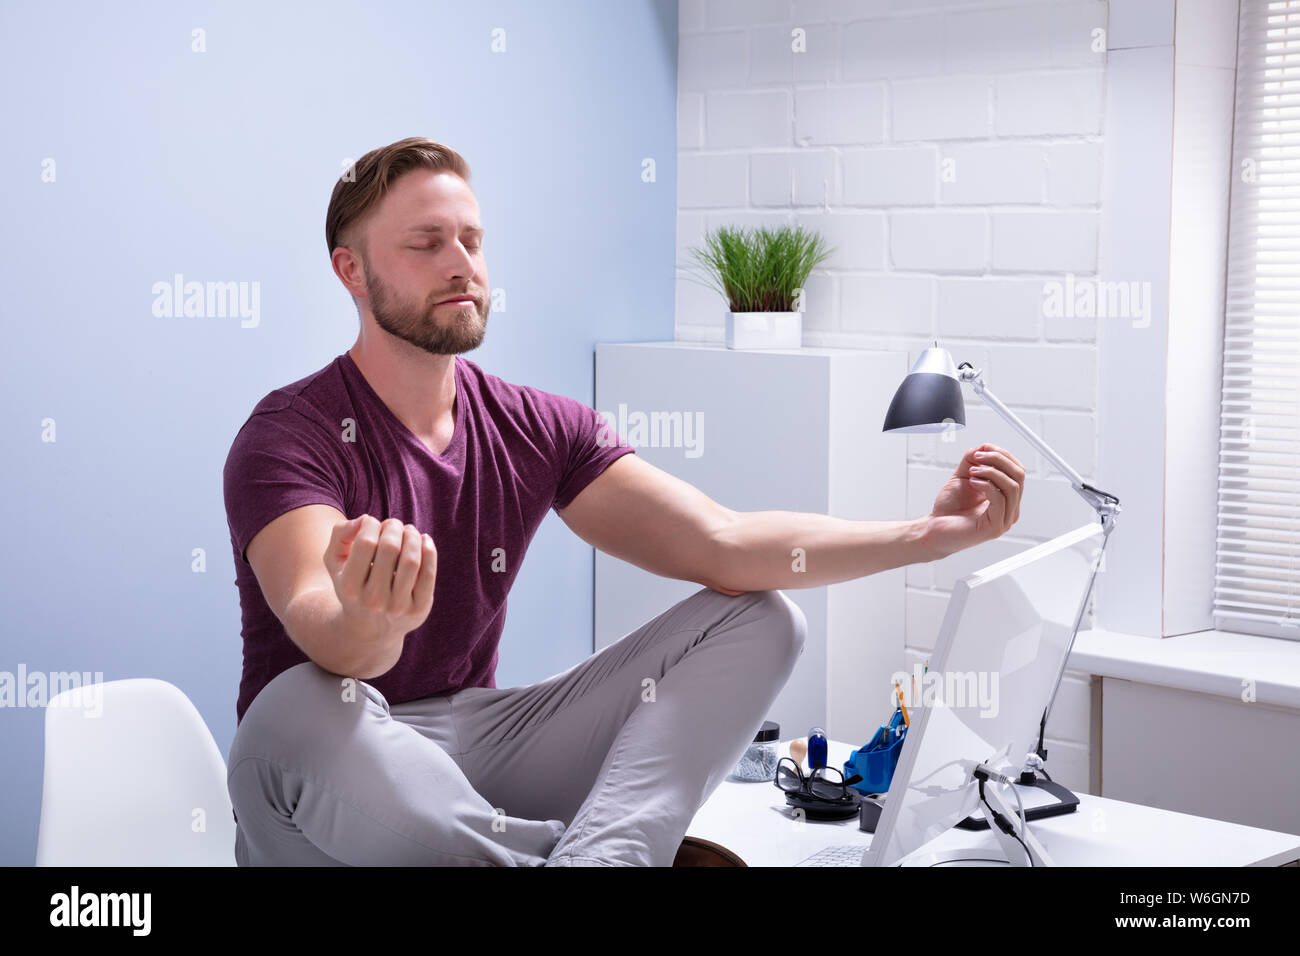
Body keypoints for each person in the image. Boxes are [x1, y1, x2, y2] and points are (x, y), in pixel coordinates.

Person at [222, 137, 1026, 867]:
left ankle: (600, 861)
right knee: (290, 710)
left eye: (471, 239)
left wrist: (928, 534)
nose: (460, 264)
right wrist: (370, 627)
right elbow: (316, 617)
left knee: (763, 617)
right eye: (425, 244)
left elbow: (724, 540)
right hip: (328, 768)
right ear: (351, 271)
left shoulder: (534, 423)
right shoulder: (289, 435)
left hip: (472, 738)